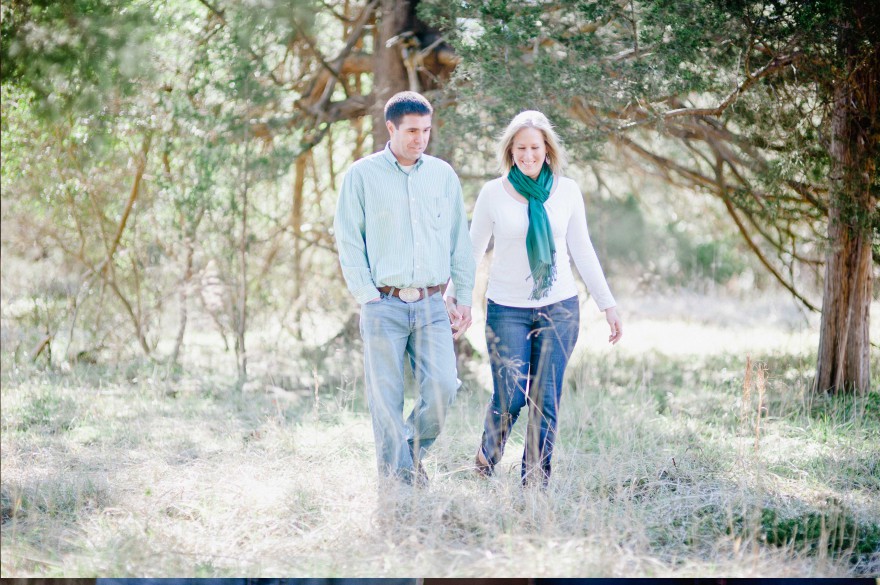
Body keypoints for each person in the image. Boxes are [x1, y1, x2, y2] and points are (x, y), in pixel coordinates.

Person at [447, 110, 622, 487]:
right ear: (510, 150)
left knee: (546, 398)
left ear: (548, 150)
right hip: (506, 309)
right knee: (510, 395)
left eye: (535, 148)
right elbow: (472, 251)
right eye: (521, 147)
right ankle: (486, 456)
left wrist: (608, 304)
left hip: (560, 307)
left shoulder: (567, 190)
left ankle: (535, 483)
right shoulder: (493, 193)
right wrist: (455, 298)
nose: (528, 155)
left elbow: (582, 250)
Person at [334, 91, 475, 486]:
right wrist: (367, 297)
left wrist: (463, 296)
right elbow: (348, 238)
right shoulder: (361, 175)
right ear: (391, 128)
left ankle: (407, 456)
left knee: (445, 387)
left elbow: (458, 240)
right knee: (385, 398)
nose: (420, 138)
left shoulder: (442, 175)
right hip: (384, 302)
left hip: (432, 304)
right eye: (412, 130)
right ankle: (397, 481)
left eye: (426, 130)